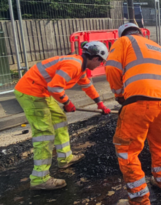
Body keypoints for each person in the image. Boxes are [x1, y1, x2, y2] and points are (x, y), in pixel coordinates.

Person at [105, 23, 161, 205]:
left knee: (127, 151)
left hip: (139, 102)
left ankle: (139, 202)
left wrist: (120, 96)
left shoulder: (123, 41)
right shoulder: (158, 47)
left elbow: (112, 68)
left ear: (122, 34)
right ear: (141, 33)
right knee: (160, 143)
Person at [14, 41, 112, 190]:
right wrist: (67, 102)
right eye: (101, 62)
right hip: (31, 92)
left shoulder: (80, 68)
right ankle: (39, 178)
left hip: (42, 92)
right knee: (44, 132)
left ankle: (65, 158)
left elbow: (88, 86)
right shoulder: (74, 65)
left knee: (59, 119)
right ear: (96, 58)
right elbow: (54, 87)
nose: (100, 65)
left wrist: (100, 104)